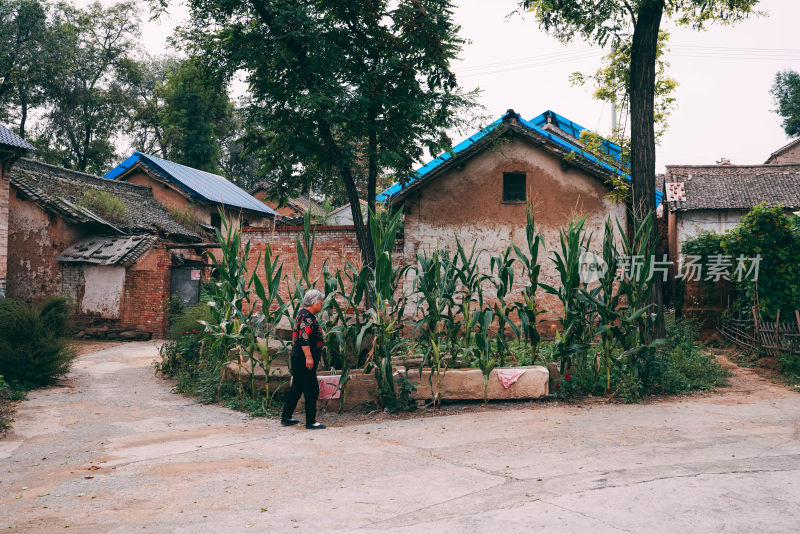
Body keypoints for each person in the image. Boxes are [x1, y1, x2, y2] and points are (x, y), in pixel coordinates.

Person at [281, 289, 326, 429]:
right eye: (320, 302)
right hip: (303, 358)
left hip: (299, 357)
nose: (321, 305)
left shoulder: (303, 314)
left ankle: (286, 416)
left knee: (297, 387)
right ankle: (311, 422)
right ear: (313, 303)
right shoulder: (307, 317)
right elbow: (303, 339)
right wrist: (309, 358)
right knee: (311, 389)